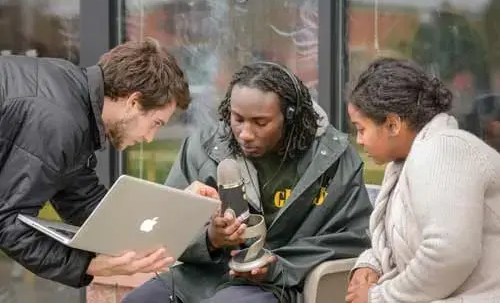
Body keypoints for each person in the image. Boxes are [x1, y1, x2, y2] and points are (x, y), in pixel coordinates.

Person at [122, 61, 373, 303]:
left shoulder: (332, 157)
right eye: (237, 119)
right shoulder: (203, 148)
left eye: (260, 123)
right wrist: (211, 239)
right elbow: (168, 230)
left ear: (290, 116)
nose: (245, 133)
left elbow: (353, 237)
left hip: (282, 283)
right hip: (203, 277)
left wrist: (277, 266)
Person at [0, 37, 208, 288]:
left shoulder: (73, 98)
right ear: (133, 102)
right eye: (156, 123)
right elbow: (8, 223)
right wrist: (89, 266)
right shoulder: (59, 120)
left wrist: (175, 209)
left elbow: (84, 201)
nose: (150, 137)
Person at [345, 58, 500, 303]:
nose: (359, 140)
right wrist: (371, 264)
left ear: (393, 124)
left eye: (361, 129)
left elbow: (449, 254)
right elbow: (407, 241)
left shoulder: (443, 151)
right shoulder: (406, 161)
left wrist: (379, 297)